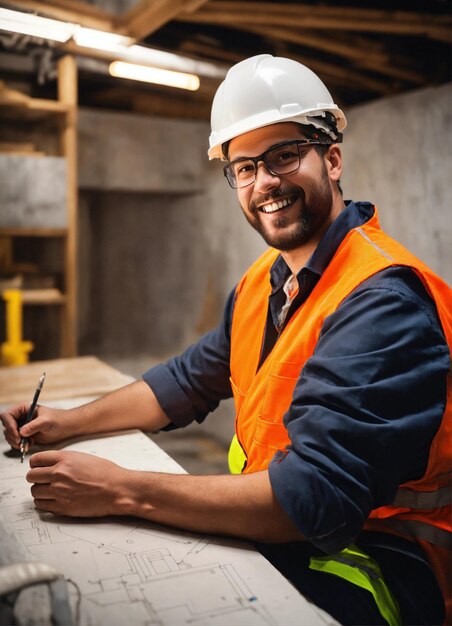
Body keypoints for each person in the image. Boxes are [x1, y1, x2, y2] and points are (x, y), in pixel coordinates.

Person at [2, 55, 451, 626]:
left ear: (331, 159)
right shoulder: (265, 281)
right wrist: (67, 421)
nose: (264, 182)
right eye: (244, 167)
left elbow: (310, 496)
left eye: (283, 155)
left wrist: (121, 490)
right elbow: (186, 382)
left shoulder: (383, 301)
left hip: (379, 562)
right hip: (289, 533)